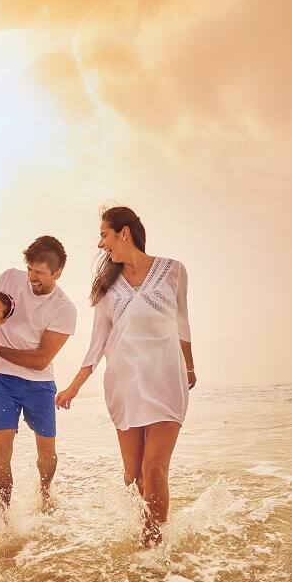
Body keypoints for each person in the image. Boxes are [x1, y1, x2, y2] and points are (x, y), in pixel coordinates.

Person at [56, 207, 195, 546]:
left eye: (105, 234)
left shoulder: (173, 270)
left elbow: (182, 321)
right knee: (134, 476)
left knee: (155, 468)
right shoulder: (107, 289)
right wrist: (73, 387)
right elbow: (97, 344)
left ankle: (154, 547)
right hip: (125, 386)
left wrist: (189, 366)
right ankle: (150, 527)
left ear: (125, 233)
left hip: (166, 380)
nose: (102, 244)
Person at [0, 236, 77, 511]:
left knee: (46, 453)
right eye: (30, 270)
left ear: (57, 273)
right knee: (2, 443)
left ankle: (45, 492)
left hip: (40, 384)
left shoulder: (64, 308)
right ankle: (3, 516)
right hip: (3, 381)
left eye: (40, 274)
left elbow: (40, 360)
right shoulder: (9, 278)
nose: (32, 278)